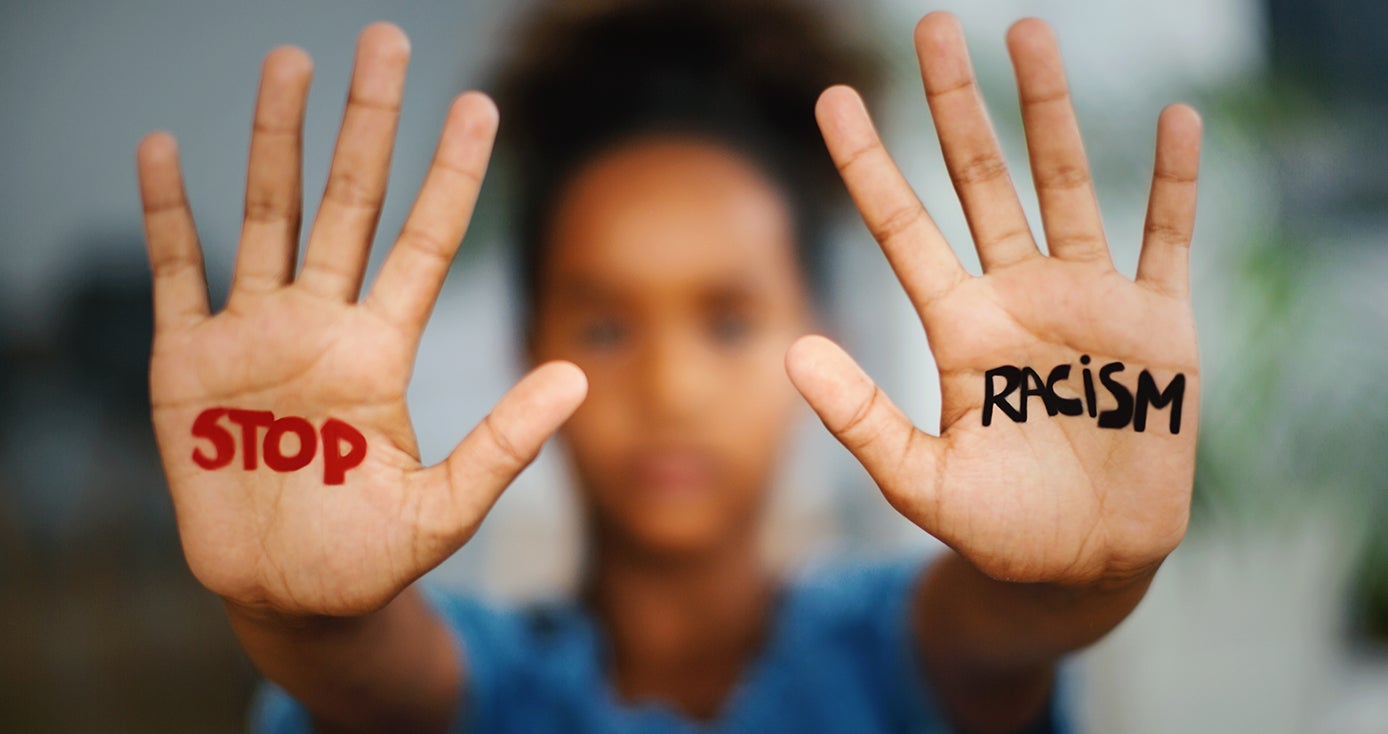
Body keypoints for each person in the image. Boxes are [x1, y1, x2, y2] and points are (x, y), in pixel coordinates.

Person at [133, 0, 1202, 731]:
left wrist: (1081, 582)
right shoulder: (489, 676)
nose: (670, 387)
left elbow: (993, 634)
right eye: (604, 325)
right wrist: (305, 618)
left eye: (727, 320)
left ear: (816, 323)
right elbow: (381, 681)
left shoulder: (889, 648)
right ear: (527, 341)